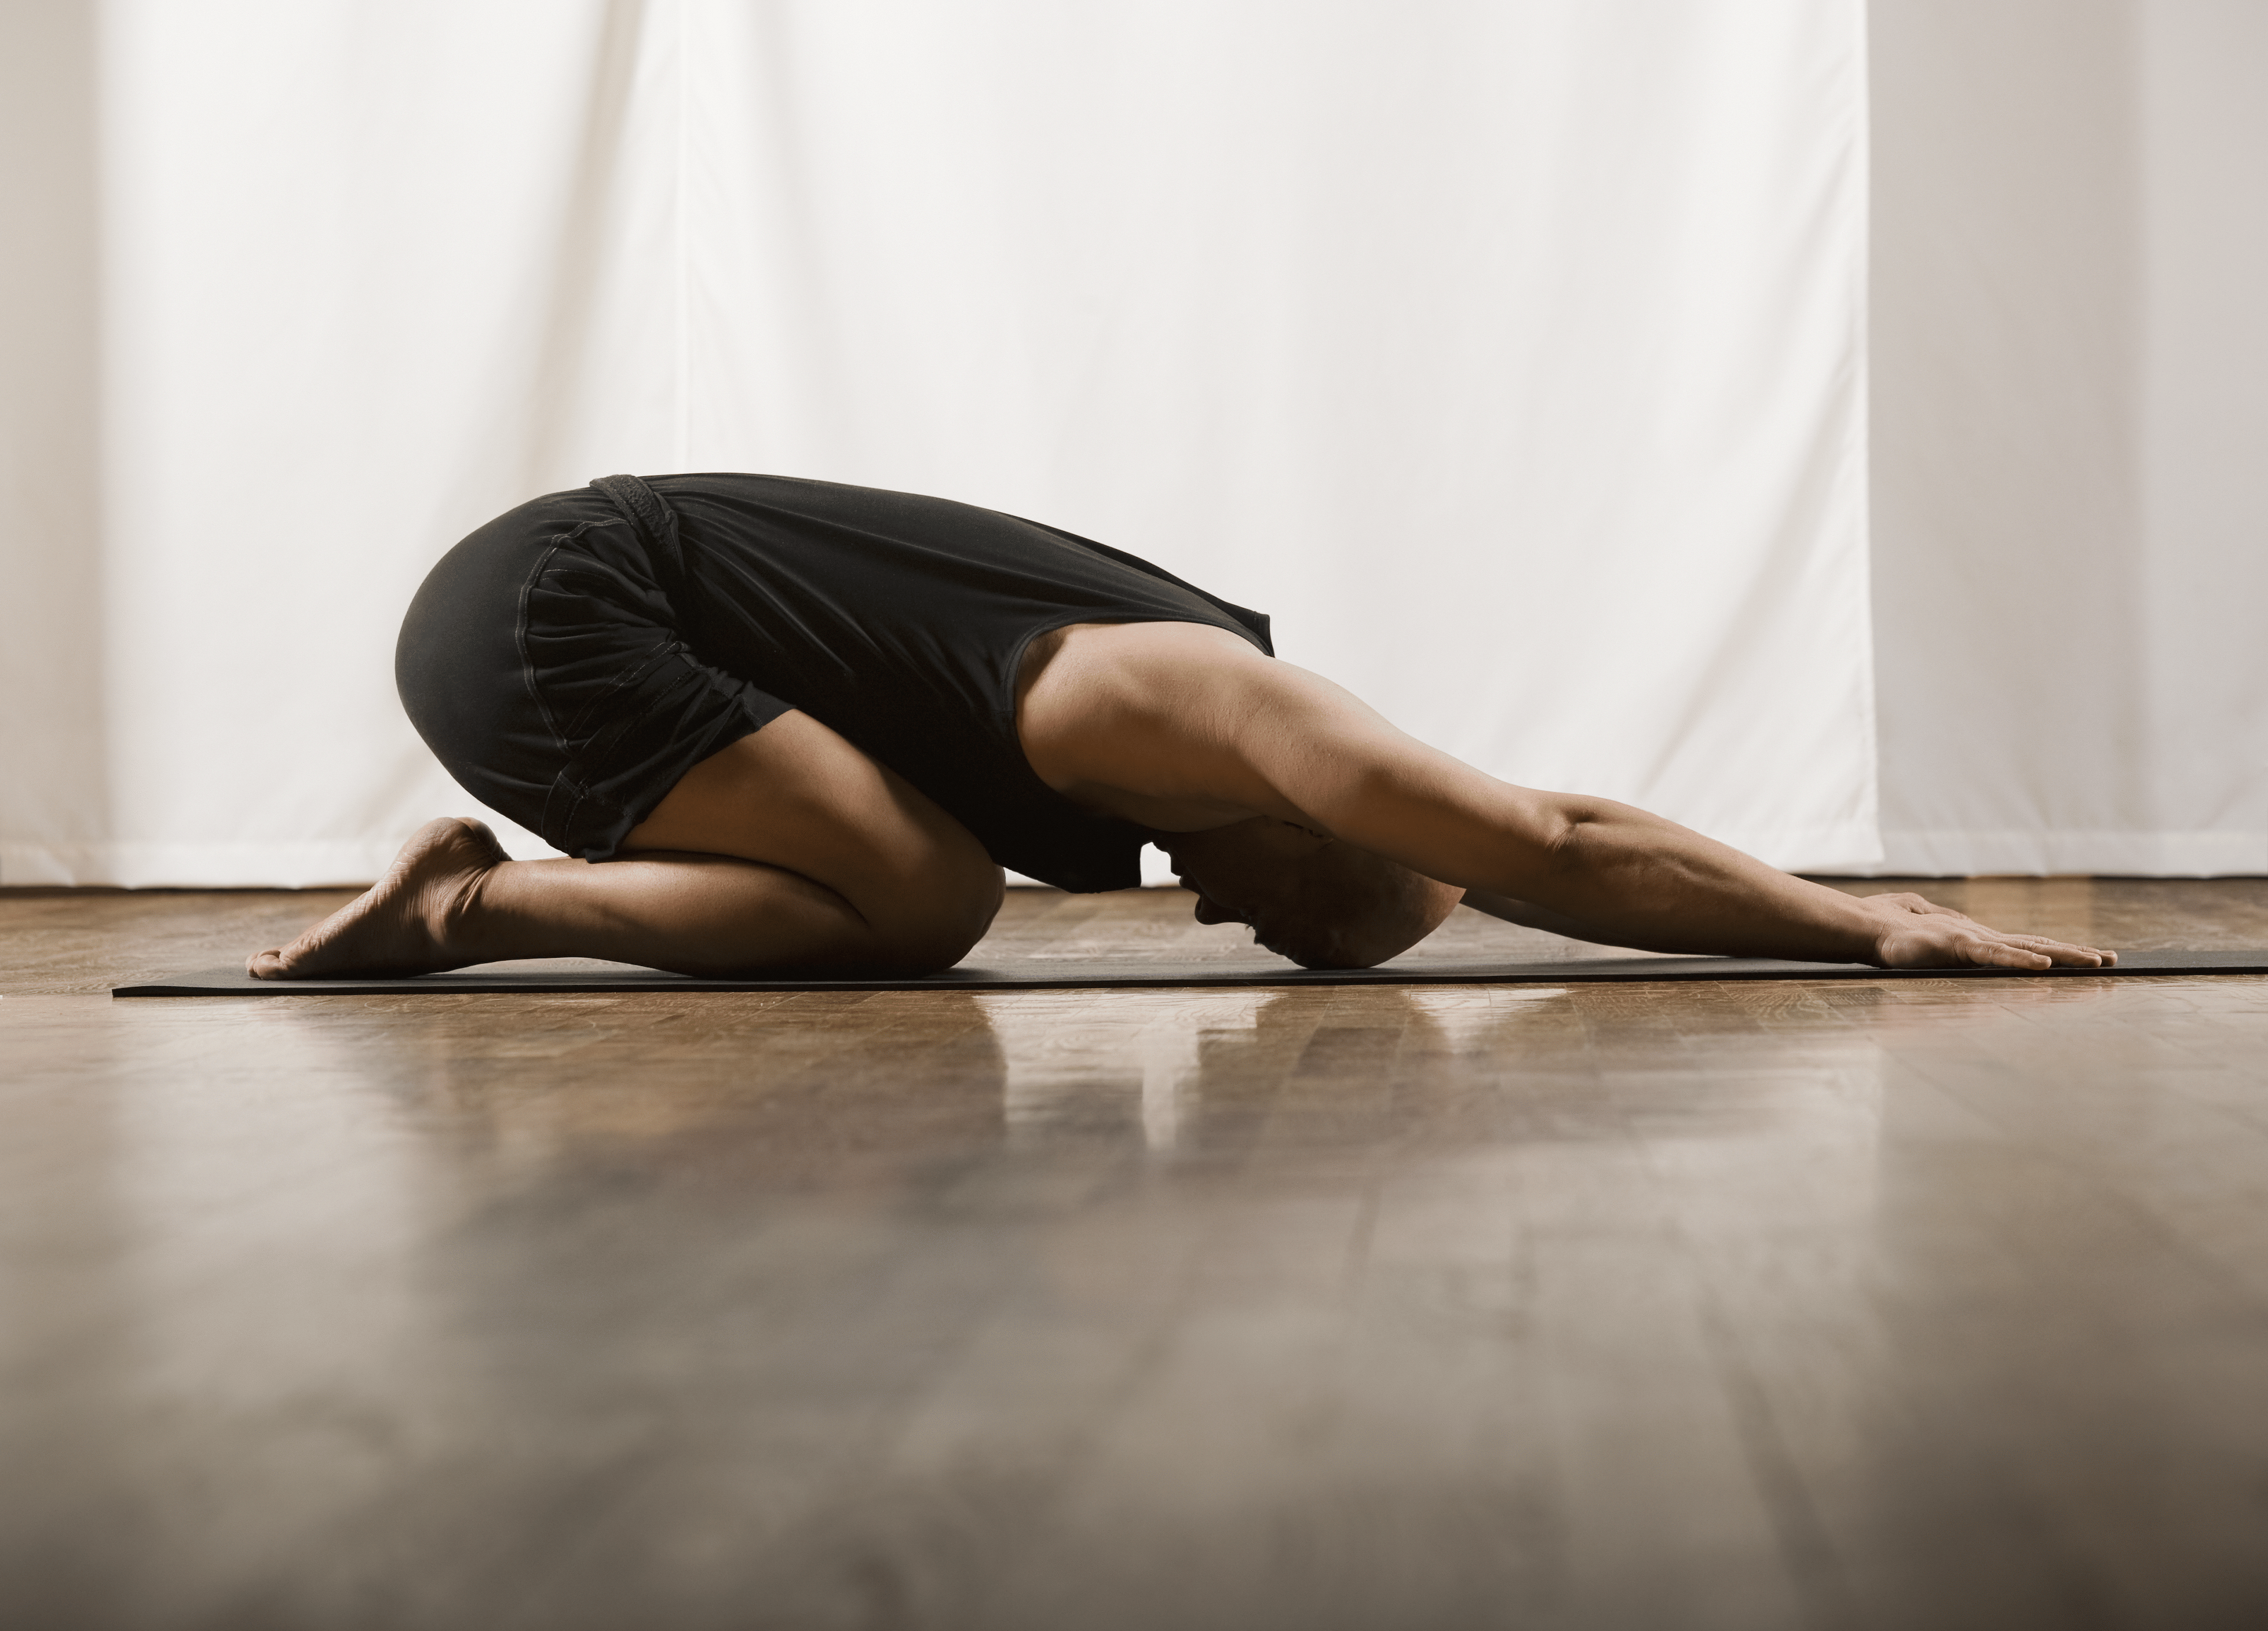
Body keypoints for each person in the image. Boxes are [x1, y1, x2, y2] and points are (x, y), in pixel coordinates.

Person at [250, 474, 2115, 981]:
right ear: (1329, 828)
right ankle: (457, 916)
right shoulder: (1227, 712)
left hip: (541, 612)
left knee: (920, 890)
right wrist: (1863, 917)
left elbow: (1514, 846)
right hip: (553, 606)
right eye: (1295, 923)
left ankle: (463, 909)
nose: (1236, 928)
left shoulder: (1199, 747)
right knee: (926, 902)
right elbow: (1544, 846)